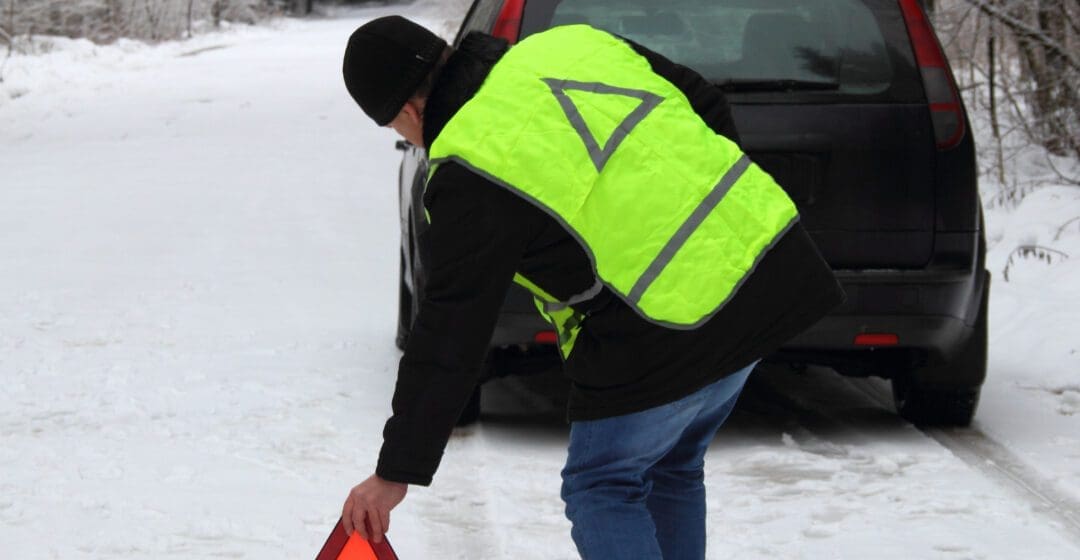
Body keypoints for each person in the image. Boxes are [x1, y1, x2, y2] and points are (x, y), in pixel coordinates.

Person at [339, 15, 844, 559]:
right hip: (765, 270)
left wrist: (396, 472)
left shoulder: (468, 165)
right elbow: (703, 101)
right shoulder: (571, 44)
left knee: (602, 485)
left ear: (408, 111)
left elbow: (450, 329)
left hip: (665, 326)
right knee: (671, 465)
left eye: (395, 127)